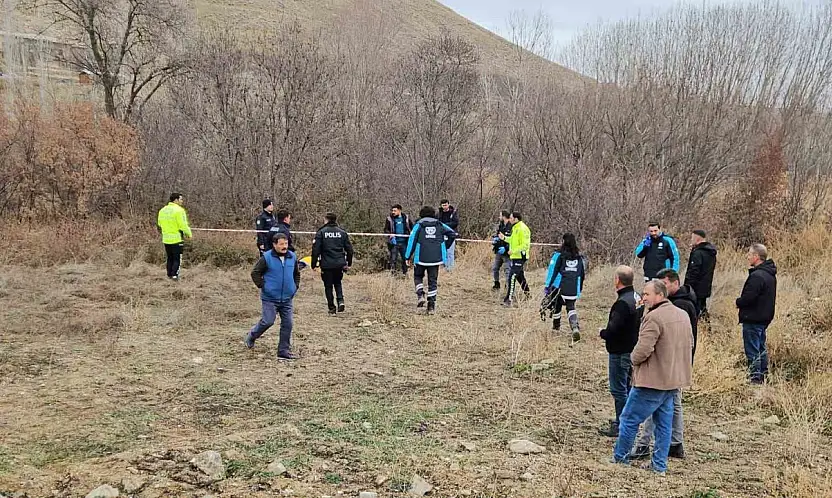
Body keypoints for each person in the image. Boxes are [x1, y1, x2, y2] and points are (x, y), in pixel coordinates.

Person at [612, 280, 693, 475]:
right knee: (663, 425)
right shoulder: (682, 315)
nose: (644, 297)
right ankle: (659, 465)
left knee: (629, 419)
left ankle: (619, 458)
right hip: (673, 380)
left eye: (647, 294)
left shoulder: (654, 318)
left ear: (660, 295)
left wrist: (632, 359)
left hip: (652, 380)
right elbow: (689, 343)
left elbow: (643, 350)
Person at [631, 268, 698, 460]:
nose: (663, 288)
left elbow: (683, 339)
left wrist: (634, 360)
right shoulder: (681, 305)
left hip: (666, 366)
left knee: (657, 406)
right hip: (676, 364)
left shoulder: (681, 307)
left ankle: (645, 445)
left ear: (675, 283)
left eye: (665, 284)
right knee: (672, 405)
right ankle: (674, 444)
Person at [598, 266, 642, 438]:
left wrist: (602, 333)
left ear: (617, 280)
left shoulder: (622, 303)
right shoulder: (637, 297)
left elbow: (613, 330)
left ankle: (622, 424)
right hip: (632, 348)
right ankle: (627, 421)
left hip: (620, 351)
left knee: (619, 390)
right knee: (628, 388)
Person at [245, 234, 301, 361]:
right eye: (281, 244)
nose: (284, 247)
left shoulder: (292, 257)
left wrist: (294, 287)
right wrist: (263, 286)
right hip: (270, 298)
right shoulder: (267, 258)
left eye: (286, 244)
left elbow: (296, 274)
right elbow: (255, 273)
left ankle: (283, 351)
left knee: (288, 324)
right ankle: (252, 336)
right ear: (274, 244)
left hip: (287, 298)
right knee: (268, 321)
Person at [736, 244, 777, 385]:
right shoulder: (769, 274)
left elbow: (749, 297)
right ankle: (764, 375)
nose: (747, 256)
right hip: (764, 317)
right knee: (760, 347)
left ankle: (755, 379)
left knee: (753, 349)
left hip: (753, 317)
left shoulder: (757, 276)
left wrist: (738, 302)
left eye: (749, 254)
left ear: (756, 257)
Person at [404, 206, 457, 315]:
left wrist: (407, 256)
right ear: (433, 215)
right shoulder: (440, 224)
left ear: (421, 215)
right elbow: (452, 234)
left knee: (418, 276)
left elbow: (411, 241)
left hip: (421, 258)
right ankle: (431, 307)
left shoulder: (418, 225)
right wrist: (444, 246)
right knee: (433, 282)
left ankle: (420, 294)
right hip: (435, 259)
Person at [544, 233, 586, 342]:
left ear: (563, 241)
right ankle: (575, 327)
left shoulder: (559, 255)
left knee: (557, 306)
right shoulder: (579, 258)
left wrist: (548, 286)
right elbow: (582, 275)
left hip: (559, 286)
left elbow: (553, 271)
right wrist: (579, 289)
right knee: (570, 307)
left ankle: (556, 327)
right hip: (572, 287)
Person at [311, 212, 354, 315]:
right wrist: (349, 262)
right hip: (339, 263)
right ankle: (340, 301)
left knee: (328, 286)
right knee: (338, 283)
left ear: (326, 220)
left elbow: (316, 250)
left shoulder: (321, 232)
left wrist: (314, 264)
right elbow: (350, 249)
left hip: (326, 264)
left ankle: (332, 308)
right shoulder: (342, 232)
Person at [156, 192, 193, 281]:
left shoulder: (163, 210)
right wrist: (189, 234)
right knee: (177, 258)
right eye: (181, 199)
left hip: (166, 238)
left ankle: (169, 274)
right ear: (176, 200)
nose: (182, 201)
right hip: (177, 238)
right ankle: (175, 275)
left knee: (170, 257)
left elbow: (159, 223)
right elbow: (182, 225)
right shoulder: (179, 210)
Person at [499, 212, 531, 306]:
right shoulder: (515, 227)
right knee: (520, 277)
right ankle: (528, 294)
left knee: (512, 277)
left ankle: (508, 300)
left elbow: (525, 245)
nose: (510, 219)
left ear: (516, 219)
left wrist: (513, 251)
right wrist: (504, 238)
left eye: (511, 218)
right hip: (515, 256)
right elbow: (512, 240)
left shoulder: (523, 228)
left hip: (520, 256)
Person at [684, 230, 718, 317]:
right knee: (702, 308)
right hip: (705, 286)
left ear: (697, 238)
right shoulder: (710, 252)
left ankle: (700, 327)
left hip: (696, 288)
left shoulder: (698, 253)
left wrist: (687, 287)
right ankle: (707, 328)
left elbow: (694, 271)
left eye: (692, 238)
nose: (691, 240)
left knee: (696, 310)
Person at [384, 204, 413, 276]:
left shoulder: (406, 218)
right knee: (393, 259)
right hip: (394, 243)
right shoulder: (389, 219)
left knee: (405, 258)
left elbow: (412, 227)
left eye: (395, 210)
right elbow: (386, 229)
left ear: (399, 210)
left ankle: (405, 274)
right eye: (392, 210)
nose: (393, 212)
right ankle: (393, 274)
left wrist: (412, 232)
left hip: (404, 242)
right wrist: (390, 234)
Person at [491, 211, 512, 290]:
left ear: (504, 217)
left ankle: (508, 286)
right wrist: (495, 240)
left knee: (507, 270)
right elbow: (498, 235)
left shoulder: (511, 227)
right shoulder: (501, 225)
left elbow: (512, 240)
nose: (499, 217)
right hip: (499, 251)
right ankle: (496, 284)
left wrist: (506, 248)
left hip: (507, 252)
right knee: (495, 268)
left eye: (500, 216)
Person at [438, 199, 460, 271]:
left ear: (448, 204)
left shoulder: (453, 213)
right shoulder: (438, 214)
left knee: (450, 252)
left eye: (446, 205)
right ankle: (444, 267)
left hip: (451, 235)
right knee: (442, 251)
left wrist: (445, 226)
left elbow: (455, 222)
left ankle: (450, 268)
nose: (444, 207)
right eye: (443, 205)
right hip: (441, 235)